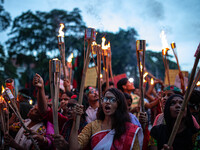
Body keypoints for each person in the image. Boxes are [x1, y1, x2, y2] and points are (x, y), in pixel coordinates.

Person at [69, 88, 143, 150]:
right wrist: (76, 120)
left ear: (119, 104)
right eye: (105, 99)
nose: (107, 102)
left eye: (112, 100)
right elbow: (74, 147)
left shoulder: (130, 129)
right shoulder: (93, 126)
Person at [32, 73, 87, 143]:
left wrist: (64, 145)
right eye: (68, 106)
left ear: (82, 108)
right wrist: (40, 89)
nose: (69, 108)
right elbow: (44, 111)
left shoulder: (88, 128)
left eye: (73, 106)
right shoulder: (65, 122)